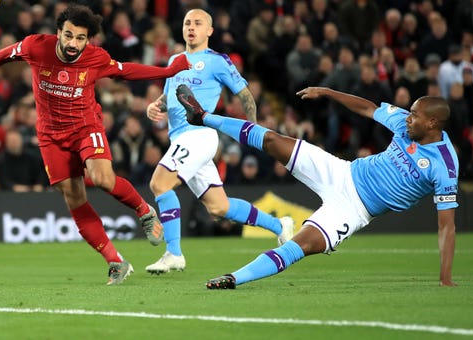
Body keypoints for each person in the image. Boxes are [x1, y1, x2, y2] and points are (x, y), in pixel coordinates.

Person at [0, 4, 191, 285]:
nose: (74, 44)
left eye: (81, 38)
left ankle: (144, 211)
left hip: (86, 127)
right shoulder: (37, 46)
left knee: (102, 179)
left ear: (89, 40)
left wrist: (167, 72)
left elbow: (126, 70)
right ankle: (115, 261)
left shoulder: (95, 58)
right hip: (50, 135)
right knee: (74, 197)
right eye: (69, 36)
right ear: (58, 33)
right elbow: (7, 52)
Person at [175, 84, 458, 289]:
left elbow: (446, 224)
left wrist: (445, 276)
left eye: (414, 115)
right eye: (409, 113)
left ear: (432, 122)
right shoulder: (405, 126)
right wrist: (328, 92)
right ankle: (202, 116)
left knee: (302, 244)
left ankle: (234, 278)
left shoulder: (444, 165)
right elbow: (369, 108)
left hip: (353, 210)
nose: (407, 118)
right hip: (341, 172)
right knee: (274, 141)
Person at [144, 9, 294, 275]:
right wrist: (155, 106)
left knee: (159, 183)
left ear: (209, 31)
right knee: (219, 206)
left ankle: (174, 253)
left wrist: (253, 129)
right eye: (187, 22)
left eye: (198, 23)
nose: (191, 27)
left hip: (199, 135)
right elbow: (169, 98)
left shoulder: (217, 61)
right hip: (180, 139)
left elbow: (245, 95)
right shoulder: (175, 60)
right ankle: (280, 227)